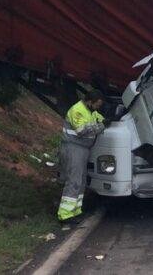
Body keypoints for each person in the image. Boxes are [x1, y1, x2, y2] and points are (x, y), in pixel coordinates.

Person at [57, 89, 106, 222]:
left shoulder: (92, 111)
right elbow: (81, 130)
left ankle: (75, 211)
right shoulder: (77, 110)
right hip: (73, 148)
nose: (98, 107)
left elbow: (100, 119)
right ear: (90, 101)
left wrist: (108, 119)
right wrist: (101, 126)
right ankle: (65, 215)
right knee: (74, 181)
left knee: (81, 181)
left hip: (82, 149)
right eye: (97, 104)